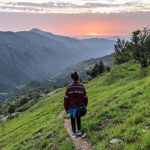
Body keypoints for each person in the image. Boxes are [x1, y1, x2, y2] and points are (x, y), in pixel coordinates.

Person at [64, 72, 88, 138]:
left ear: (72, 78)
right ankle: (79, 130)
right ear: (78, 78)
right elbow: (85, 97)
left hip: (72, 107)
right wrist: (85, 105)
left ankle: (74, 133)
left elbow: (66, 99)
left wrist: (66, 108)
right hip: (80, 106)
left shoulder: (68, 87)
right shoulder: (82, 86)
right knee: (78, 118)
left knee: (72, 119)